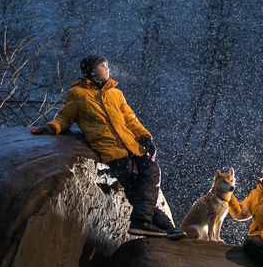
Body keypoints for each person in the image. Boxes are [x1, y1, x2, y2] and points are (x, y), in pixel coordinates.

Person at [31, 55, 183, 238]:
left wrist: (144, 137)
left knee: (152, 170)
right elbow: (65, 117)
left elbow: (130, 118)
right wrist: (52, 127)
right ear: (93, 72)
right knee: (134, 185)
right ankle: (165, 227)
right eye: (103, 66)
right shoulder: (77, 94)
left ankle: (143, 222)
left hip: (132, 145)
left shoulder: (115, 93)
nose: (107, 69)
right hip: (111, 151)